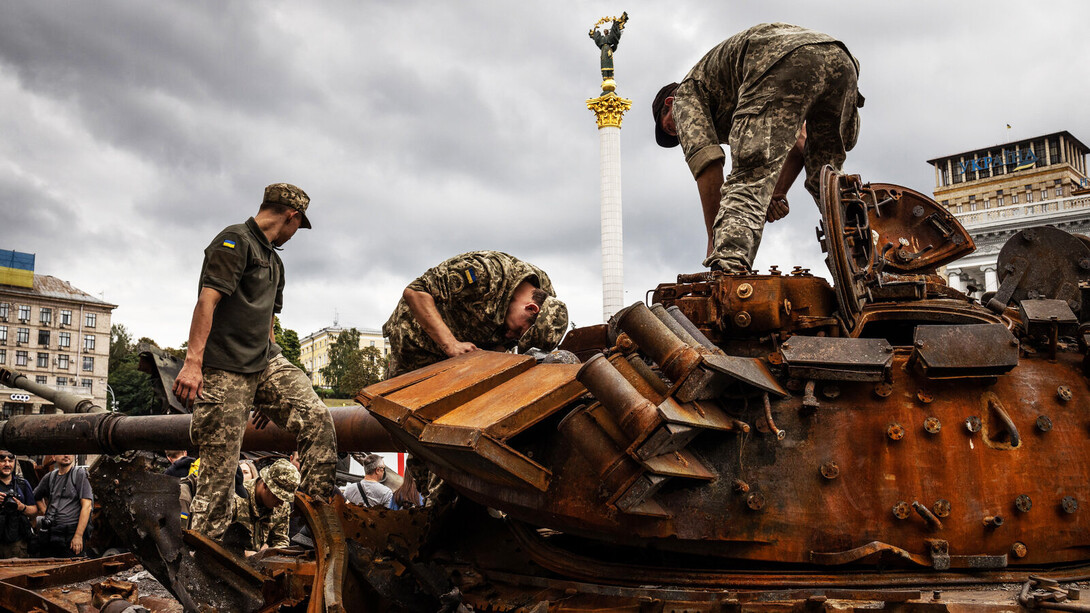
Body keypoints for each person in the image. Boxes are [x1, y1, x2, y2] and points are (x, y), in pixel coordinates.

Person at [171, 183, 338, 541]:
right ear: (292, 216)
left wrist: (269, 392)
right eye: (298, 226)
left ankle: (314, 527)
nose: (295, 233)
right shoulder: (235, 241)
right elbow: (207, 301)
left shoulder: (275, 263)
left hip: (264, 362)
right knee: (218, 480)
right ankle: (201, 558)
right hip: (225, 369)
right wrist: (193, 363)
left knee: (317, 418)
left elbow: (268, 324)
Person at [652, 23, 864, 273]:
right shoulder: (732, 93)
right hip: (840, 60)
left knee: (748, 177)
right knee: (828, 180)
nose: (679, 134)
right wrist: (776, 193)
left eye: (671, 128)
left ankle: (728, 268)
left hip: (780, 58)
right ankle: (866, 260)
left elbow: (707, 166)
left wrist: (714, 240)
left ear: (670, 104)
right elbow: (800, 144)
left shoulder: (685, 96)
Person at [383, 251, 569, 378]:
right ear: (531, 308)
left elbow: (503, 346)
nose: (511, 336)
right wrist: (451, 345)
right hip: (416, 340)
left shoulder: (547, 303)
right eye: (518, 331)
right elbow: (415, 292)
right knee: (396, 407)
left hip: (463, 356)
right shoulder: (486, 273)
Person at [228, 459, 299, 554]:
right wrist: (243, 554)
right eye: (277, 496)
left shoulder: (282, 506)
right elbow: (216, 539)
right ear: (265, 485)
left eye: (285, 498)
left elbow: (280, 539)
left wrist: (276, 555)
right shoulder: (235, 498)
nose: (281, 503)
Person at [33, 454, 92, 557]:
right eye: (62, 452)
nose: (66, 455)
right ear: (54, 457)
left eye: (69, 452)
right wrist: (45, 512)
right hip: (52, 532)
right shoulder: (50, 477)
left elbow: (87, 506)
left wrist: (78, 535)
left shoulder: (79, 474)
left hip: (71, 534)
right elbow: (36, 496)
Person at [0, 450, 36, 558]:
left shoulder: (22, 484)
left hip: (17, 543)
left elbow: (34, 511)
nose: (7, 464)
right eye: (2, 460)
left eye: (10, 461)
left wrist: (21, 507)